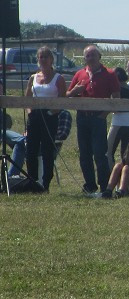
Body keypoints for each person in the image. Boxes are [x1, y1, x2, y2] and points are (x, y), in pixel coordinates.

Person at [68, 44, 121, 196]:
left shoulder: (109, 74)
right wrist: (75, 91)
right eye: (87, 56)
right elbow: (67, 94)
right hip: (82, 118)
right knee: (84, 154)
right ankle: (90, 185)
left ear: (99, 56)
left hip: (98, 117)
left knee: (99, 153)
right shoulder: (79, 74)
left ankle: (104, 186)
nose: (90, 58)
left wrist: (104, 114)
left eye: (93, 55)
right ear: (84, 58)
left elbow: (116, 98)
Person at [21, 46, 67, 192]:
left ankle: (45, 183)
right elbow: (27, 98)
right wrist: (30, 112)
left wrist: (50, 113)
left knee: (47, 151)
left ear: (51, 59)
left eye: (45, 57)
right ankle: (32, 180)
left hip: (49, 117)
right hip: (34, 116)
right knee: (31, 151)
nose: (43, 60)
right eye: (40, 57)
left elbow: (62, 100)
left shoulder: (58, 78)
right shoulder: (33, 78)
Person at [106, 66, 129, 164]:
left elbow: (115, 108)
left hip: (118, 123)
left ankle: (111, 173)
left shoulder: (117, 89)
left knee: (108, 152)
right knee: (126, 153)